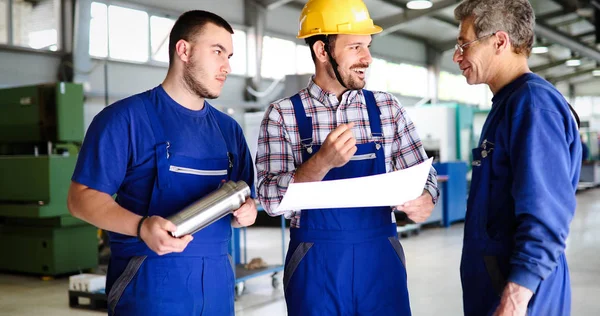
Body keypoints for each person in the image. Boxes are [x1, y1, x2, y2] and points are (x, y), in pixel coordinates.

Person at [67, 10, 257, 316]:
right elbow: (80, 199)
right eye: (218, 52)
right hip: (148, 289)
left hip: (218, 290)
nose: (227, 66)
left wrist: (246, 211)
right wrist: (141, 226)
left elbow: (245, 196)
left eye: (230, 55)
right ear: (184, 50)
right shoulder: (124, 119)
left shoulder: (228, 130)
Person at [255, 0, 439, 314]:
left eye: (367, 46)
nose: (367, 58)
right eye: (355, 47)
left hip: (380, 258)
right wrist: (321, 162)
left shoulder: (387, 109)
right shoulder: (282, 115)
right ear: (321, 50)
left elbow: (427, 180)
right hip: (315, 262)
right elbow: (270, 201)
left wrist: (424, 199)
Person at [452, 0, 582, 315]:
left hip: (522, 296)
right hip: (497, 286)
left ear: (499, 42)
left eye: (464, 44)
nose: (457, 56)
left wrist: (516, 297)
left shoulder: (533, 105)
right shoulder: (507, 103)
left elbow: (546, 215)